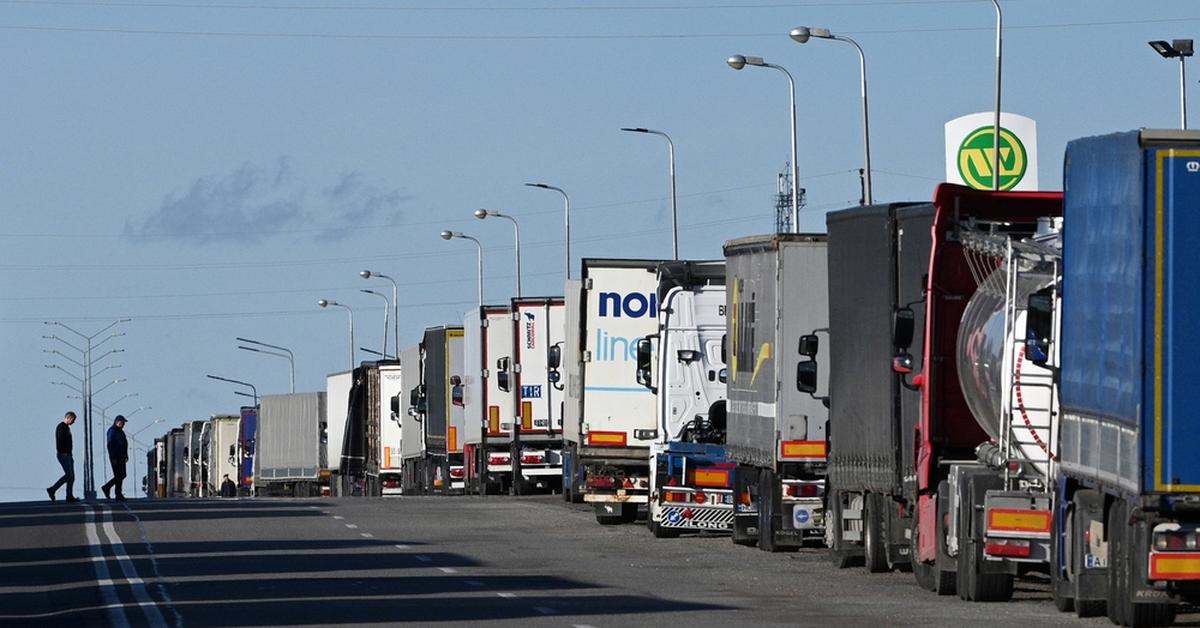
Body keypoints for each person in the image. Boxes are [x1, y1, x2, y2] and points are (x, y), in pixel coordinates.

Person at [47, 411, 79, 503]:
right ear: (68, 418)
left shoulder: (66, 427)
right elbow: (60, 440)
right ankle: (52, 489)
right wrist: (63, 451)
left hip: (68, 454)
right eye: (73, 420)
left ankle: (69, 496)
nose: (73, 422)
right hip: (63, 454)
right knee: (69, 475)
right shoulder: (61, 427)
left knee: (71, 476)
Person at [101, 415, 129, 500]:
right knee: (118, 475)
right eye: (122, 422)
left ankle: (109, 488)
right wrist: (113, 457)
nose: (124, 424)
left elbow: (124, 443)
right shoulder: (112, 431)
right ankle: (117, 493)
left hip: (121, 456)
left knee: (122, 475)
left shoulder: (120, 431)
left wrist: (126, 454)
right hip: (115, 456)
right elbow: (110, 444)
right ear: (118, 422)